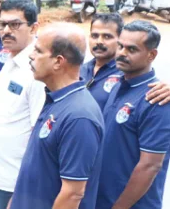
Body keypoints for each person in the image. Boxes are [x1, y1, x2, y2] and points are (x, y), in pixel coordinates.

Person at [9, 23, 104, 209]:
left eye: (38, 51)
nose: (31, 55)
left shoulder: (79, 117)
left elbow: (73, 193)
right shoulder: (56, 99)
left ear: (58, 62)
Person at [0, 0, 45, 209]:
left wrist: (24, 189)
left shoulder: (36, 72)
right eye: (3, 24)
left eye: (15, 24)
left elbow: (37, 136)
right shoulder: (10, 62)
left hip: (14, 184)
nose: (6, 30)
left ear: (34, 27)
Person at [96, 21, 170, 208]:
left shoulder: (157, 99)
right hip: (102, 199)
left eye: (131, 49)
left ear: (151, 55)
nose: (122, 53)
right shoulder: (118, 84)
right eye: (120, 46)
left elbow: (150, 166)